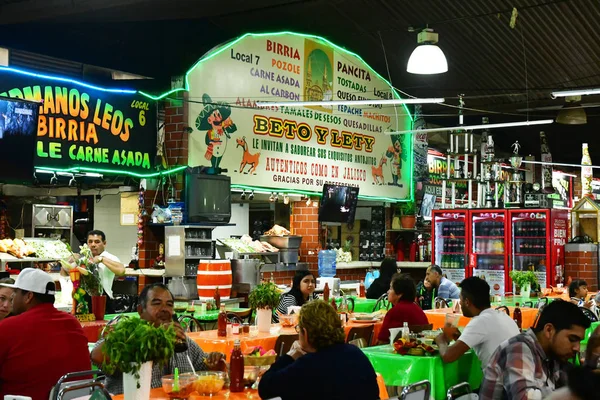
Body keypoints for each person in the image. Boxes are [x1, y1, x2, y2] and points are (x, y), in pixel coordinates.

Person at [91, 283, 225, 394]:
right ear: (140, 311)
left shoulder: (182, 341)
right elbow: (96, 355)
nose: (165, 309)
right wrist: (155, 336)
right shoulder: (128, 335)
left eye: (169, 304)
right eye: (156, 303)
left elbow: (205, 368)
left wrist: (215, 365)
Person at [259, 300, 379, 400]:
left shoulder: (308, 365)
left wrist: (290, 356)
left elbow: (265, 388)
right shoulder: (356, 353)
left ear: (305, 333)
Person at [0, 268, 91, 400]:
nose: (13, 299)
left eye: (16, 293)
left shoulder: (9, 327)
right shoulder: (72, 322)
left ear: (28, 297)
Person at [479, 300, 591, 399]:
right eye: (572, 339)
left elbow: (576, 387)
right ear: (549, 330)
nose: (577, 348)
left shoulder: (552, 356)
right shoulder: (518, 349)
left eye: (579, 341)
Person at [435, 277, 520, 367]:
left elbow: (448, 356)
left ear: (467, 302)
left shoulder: (480, 321)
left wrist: (441, 341)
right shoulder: (502, 316)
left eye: (460, 299)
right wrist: (462, 338)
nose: (459, 303)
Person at [63, 230, 126, 313]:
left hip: (103, 303)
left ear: (104, 243)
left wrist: (101, 259)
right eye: (90, 242)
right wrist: (68, 261)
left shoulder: (109, 257)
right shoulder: (83, 259)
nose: (93, 245)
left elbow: (121, 271)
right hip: (83, 302)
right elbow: (65, 275)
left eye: (97, 242)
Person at [377, 274, 429, 344]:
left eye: (391, 288)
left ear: (399, 294)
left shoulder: (394, 312)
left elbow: (382, 341)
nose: (388, 292)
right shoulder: (419, 309)